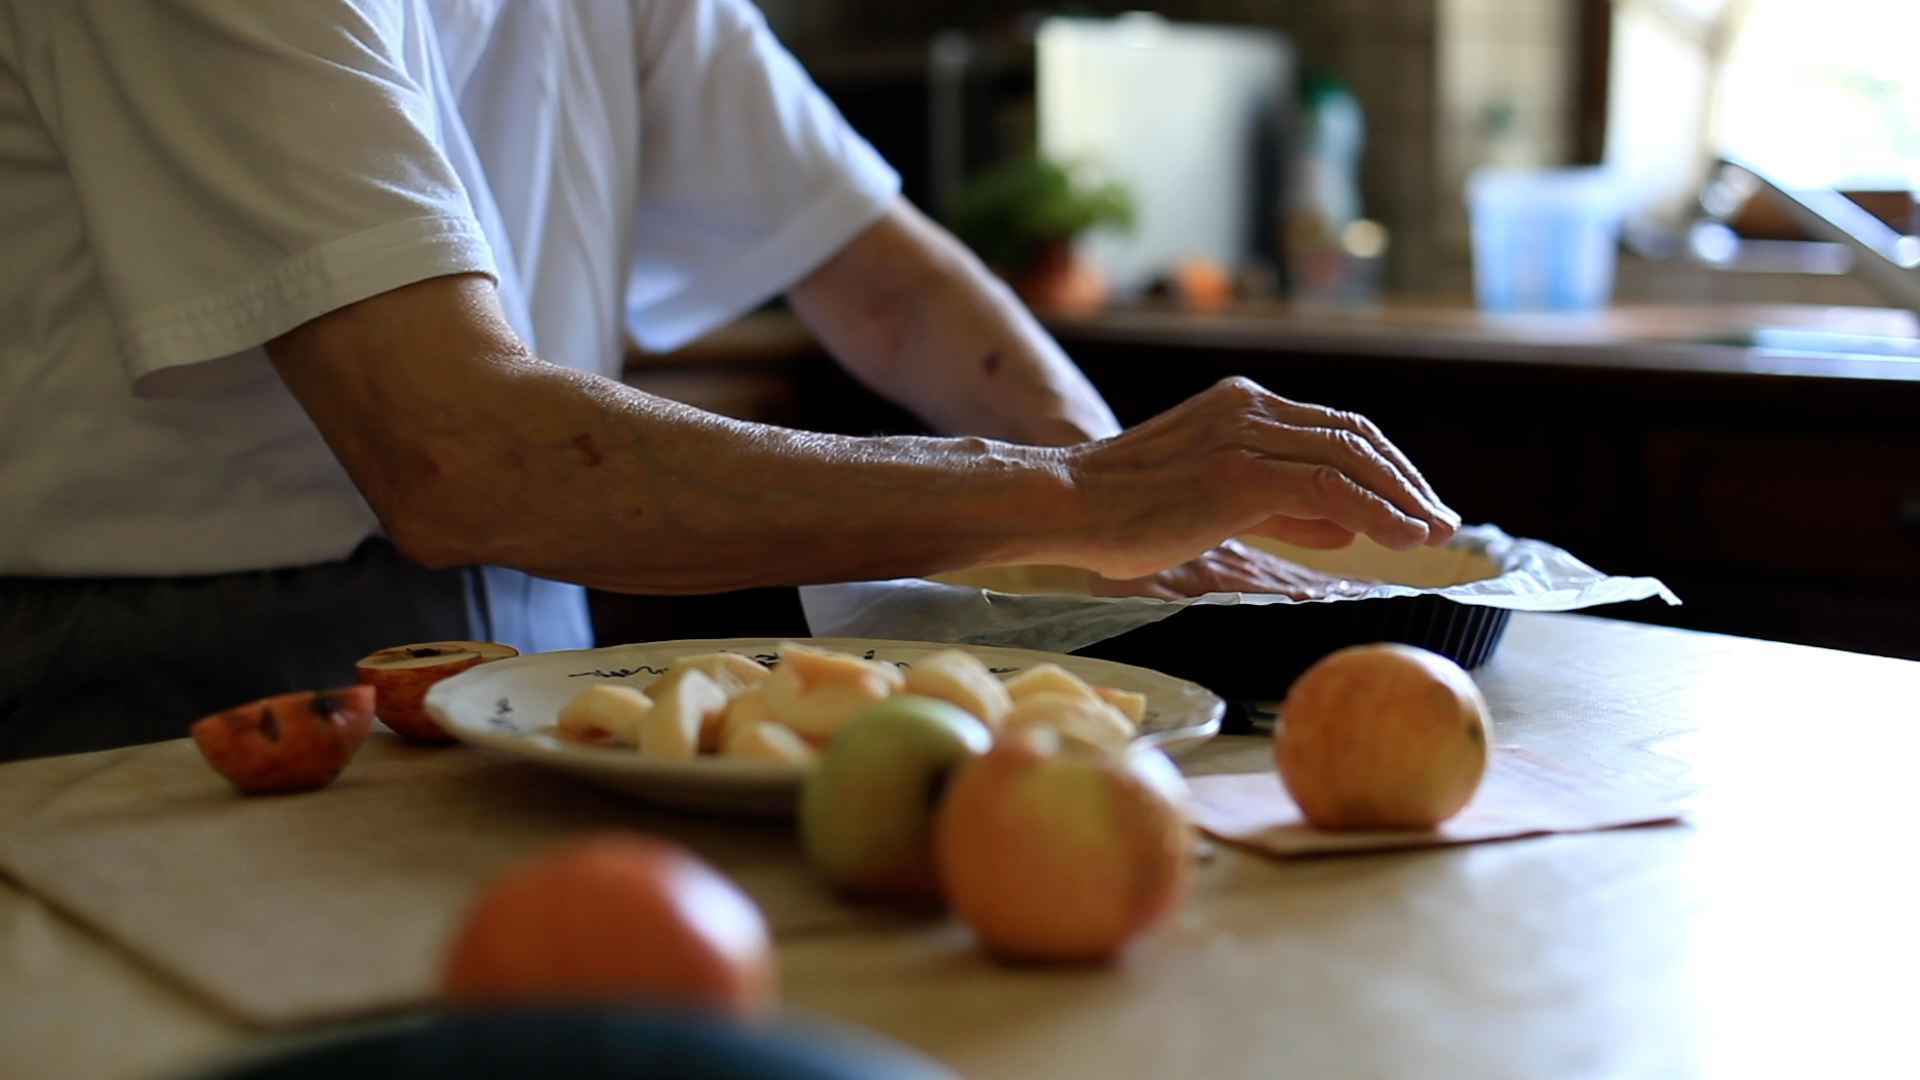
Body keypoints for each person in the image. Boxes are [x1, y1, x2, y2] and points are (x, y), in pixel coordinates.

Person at [0, 0, 1458, 761]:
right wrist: (1080, 493)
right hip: (147, 667)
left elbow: (881, 277)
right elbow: (454, 451)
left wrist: (1140, 517)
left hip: (525, 626)